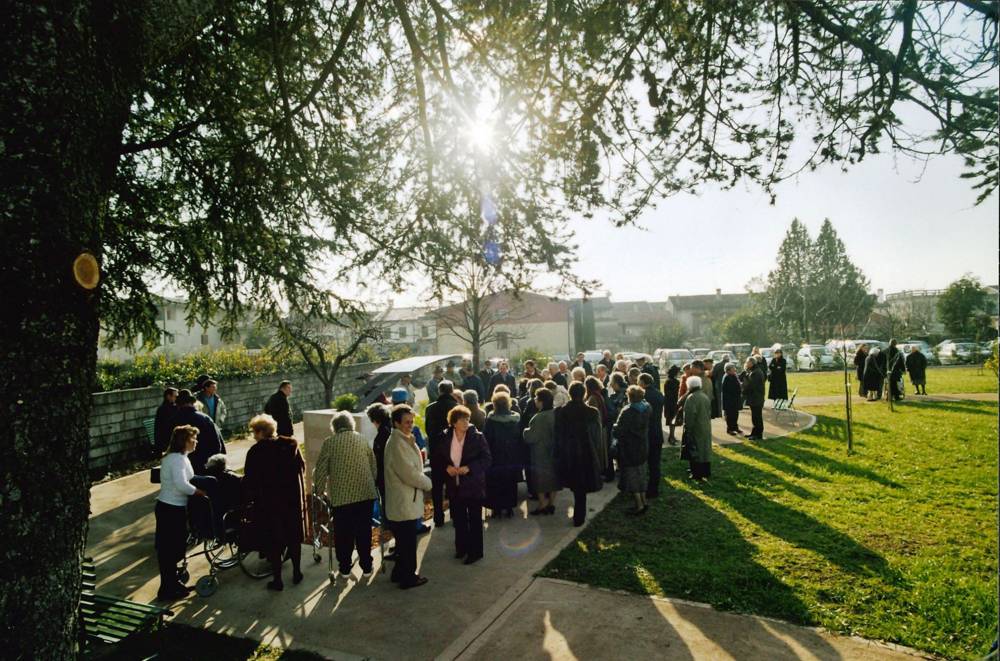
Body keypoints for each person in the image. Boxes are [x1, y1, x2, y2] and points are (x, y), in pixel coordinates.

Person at [242, 414, 307, 591]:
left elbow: (250, 481)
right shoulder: (291, 444)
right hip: (291, 501)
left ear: (261, 432)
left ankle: (277, 580)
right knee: (294, 538)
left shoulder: (255, 452)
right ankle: (296, 572)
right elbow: (301, 467)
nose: (253, 435)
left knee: (273, 542)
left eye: (254, 432)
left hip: (268, 504)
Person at [313, 411, 378, 578]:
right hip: (365, 493)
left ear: (334, 428)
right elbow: (373, 466)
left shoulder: (330, 442)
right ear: (351, 425)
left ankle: (345, 567)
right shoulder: (362, 439)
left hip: (342, 497)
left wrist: (319, 491)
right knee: (364, 530)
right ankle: (366, 565)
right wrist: (373, 483)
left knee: (344, 533)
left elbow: (320, 469)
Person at [155, 424, 207, 601]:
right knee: (169, 549)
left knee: (174, 547)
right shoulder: (176, 459)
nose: (196, 441)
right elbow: (181, 484)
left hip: (173, 507)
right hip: (169, 508)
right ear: (184, 441)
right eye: (193, 438)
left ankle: (171, 583)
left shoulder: (181, 457)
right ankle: (167, 588)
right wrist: (199, 492)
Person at [384, 405, 432, 588]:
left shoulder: (401, 439)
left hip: (405, 500)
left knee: (404, 542)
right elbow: (408, 473)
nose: (410, 425)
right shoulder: (397, 443)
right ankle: (408, 578)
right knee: (408, 544)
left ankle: (399, 573)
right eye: (406, 422)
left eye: (411, 422)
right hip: (404, 501)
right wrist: (428, 483)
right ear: (396, 423)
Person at [436, 406, 491, 564]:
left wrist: (470, 468)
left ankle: (475, 552)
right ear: (454, 422)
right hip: (455, 486)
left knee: (474, 520)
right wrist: (447, 468)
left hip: (473, 485)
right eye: (462, 419)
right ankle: (461, 548)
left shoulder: (477, 437)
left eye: (467, 419)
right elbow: (438, 459)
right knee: (459, 520)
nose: (466, 422)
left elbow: (487, 459)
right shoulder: (445, 437)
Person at [555, 382, 603, 526]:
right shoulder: (592, 412)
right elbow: (597, 436)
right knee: (581, 487)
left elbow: (558, 435)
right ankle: (579, 516)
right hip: (587, 453)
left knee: (576, 486)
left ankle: (578, 516)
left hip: (568, 453)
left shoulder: (562, 411)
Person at [424, 380, 458, 526]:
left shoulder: (430, 408)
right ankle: (455, 514)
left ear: (439, 391)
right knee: (454, 485)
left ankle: (438, 517)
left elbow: (428, 430)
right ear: (452, 391)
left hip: (436, 452)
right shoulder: (456, 408)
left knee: (437, 487)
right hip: (453, 452)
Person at [612, 385, 649, 515]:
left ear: (629, 397)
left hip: (629, 448)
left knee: (632, 476)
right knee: (642, 473)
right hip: (642, 445)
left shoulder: (627, 411)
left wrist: (615, 427)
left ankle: (639, 505)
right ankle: (644, 501)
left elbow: (619, 431)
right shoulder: (647, 408)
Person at [483, 392, 520, 518]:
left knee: (495, 482)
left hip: (495, 456)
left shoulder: (490, 420)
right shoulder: (515, 419)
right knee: (510, 482)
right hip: (511, 456)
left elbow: (486, 439)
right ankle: (509, 507)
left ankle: (496, 508)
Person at [523, 388, 560, 515]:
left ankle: (542, 503)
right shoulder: (556, 413)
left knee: (540, 479)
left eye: (536, 398)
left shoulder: (538, 418)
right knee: (554, 478)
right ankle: (551, 503)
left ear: (541, 401)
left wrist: (525, 431)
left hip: (540, 453)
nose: (534, 400)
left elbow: (531, 437)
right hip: (554, 452)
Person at [173, 389, 225, 474]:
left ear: (178, 404)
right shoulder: (204, 418)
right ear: (193, 402)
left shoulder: (173, 420)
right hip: (204, 463)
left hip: (181, 466)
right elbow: (217, 443)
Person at [638, 373, 664, 498]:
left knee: (644, 463)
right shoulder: (659, 394)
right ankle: (654, 489)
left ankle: (643, 489)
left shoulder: (643, 396)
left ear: (642, 382)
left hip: (646, 433)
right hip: (657, 431)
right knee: (655, 463)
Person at [684, 376, 713, 480]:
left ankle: (696, 473)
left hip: (696, 427)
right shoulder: (704, 396)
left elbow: (690, 416)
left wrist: (688, 429)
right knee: (705, 449)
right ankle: (706, 471)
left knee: (695, 449)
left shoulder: (691, 398)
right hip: (705, 426)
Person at [583, 376, 610, 485]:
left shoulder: (593, 398)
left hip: (596, 429)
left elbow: (593, 415)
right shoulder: (598, 395)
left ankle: (596, 478)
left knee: (597, 454)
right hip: (601, 427)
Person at [366, 403, 392, 502]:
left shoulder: (381, 436)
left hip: (386, 479)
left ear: (374, 420)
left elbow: (378, 461)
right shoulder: (392, 427)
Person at [740, 358, 765, 440]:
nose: (746, 364)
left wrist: (742, 389)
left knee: (757, 417)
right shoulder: (754, 371)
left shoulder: (755, 373)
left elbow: (751, 386)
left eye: (747, 362)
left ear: (751, 363)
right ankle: (754, 433)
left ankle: (758, 435)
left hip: (756, 398)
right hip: (756, 398)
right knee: (755, 417)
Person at [153, 387, 178, 454]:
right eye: (175, 396)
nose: (176, 398)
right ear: (168, 396)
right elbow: (162, 428)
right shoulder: (163, 409)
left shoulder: (174, 407)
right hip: (166, 438)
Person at [721, 363, 743, 436]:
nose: (735, 370)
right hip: (729, 401)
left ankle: (735, 427)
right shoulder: (727, 377)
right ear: (728, 370)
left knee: (735, 414)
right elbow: (730, 389)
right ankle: (730, 429)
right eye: (733, 369)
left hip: (734, 399)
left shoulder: (733, 376)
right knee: (730, 415)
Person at [662, 365, 681, 445]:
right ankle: (671, 437)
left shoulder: (667, 381)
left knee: (671, 421)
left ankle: (671, 436)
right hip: (673, 403)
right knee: (672, 421)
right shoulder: (675, 382)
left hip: (668, 403)